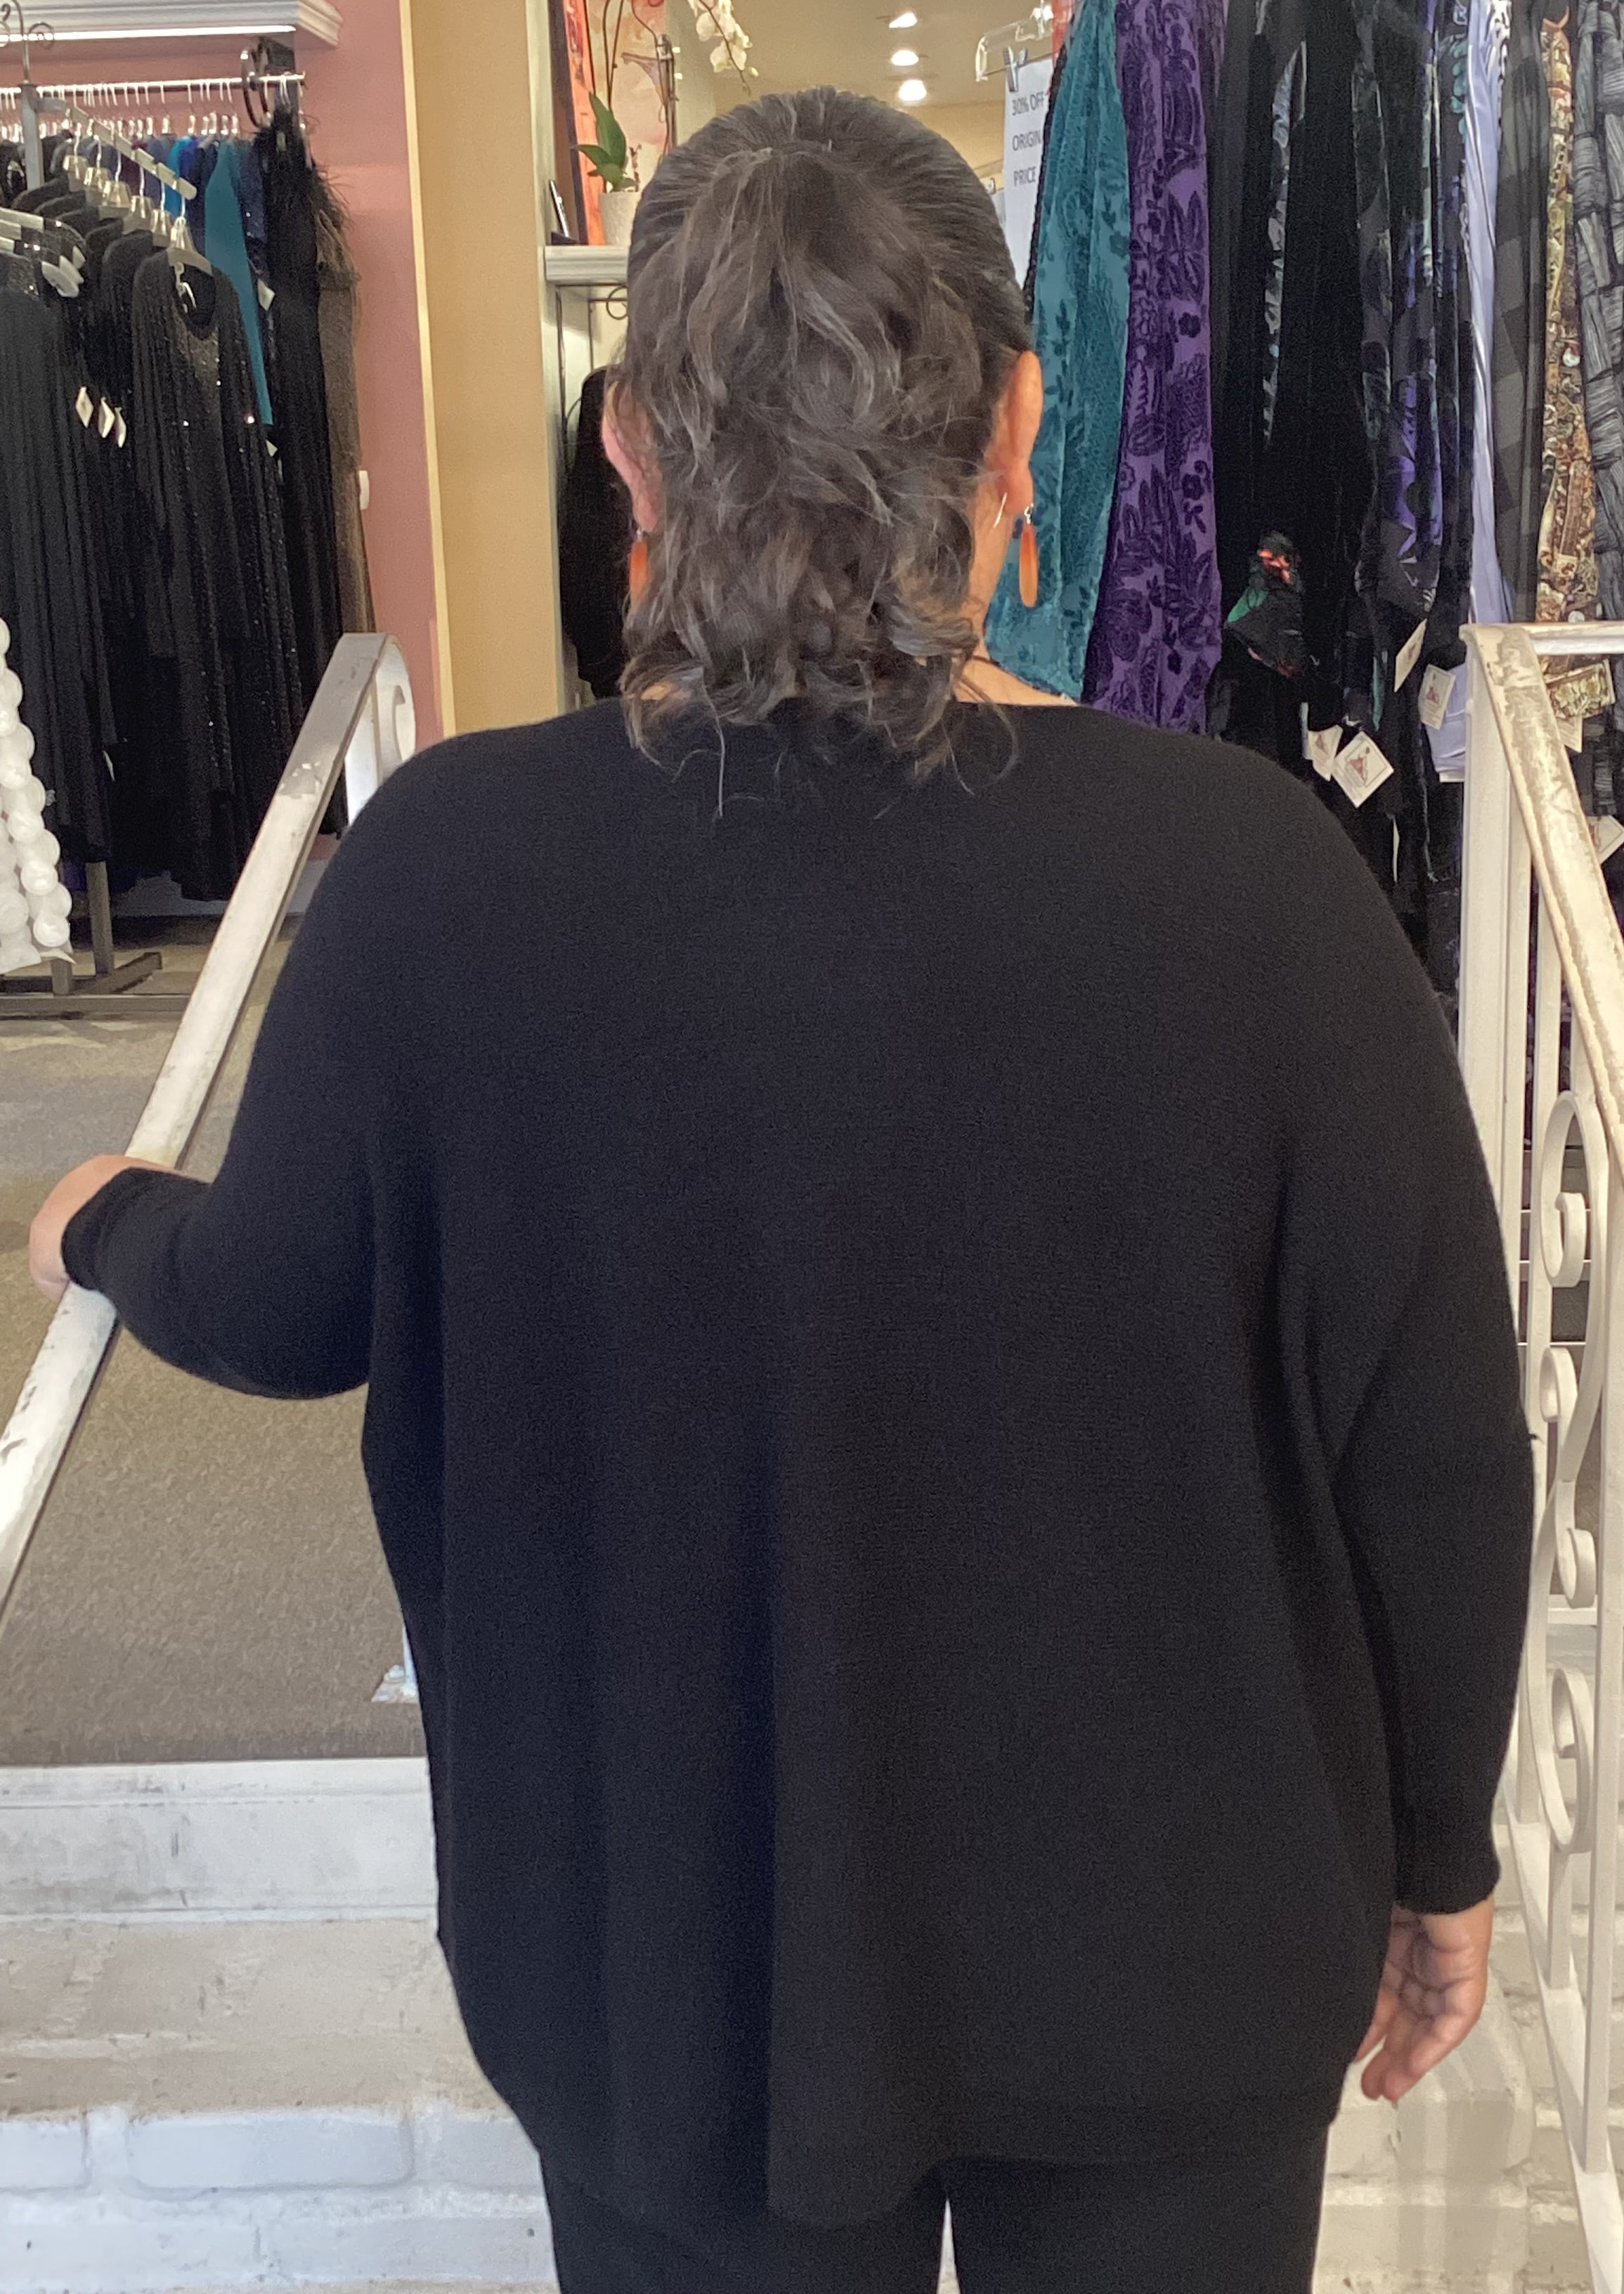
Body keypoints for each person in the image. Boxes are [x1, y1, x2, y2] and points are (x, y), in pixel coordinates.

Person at [32, 90, 1533, 2294]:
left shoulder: (453, 877)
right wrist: (1440, 1846)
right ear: (1018, 425)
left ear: (631, 447)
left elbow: (276, 1300)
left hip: (668, 1961)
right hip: (1181, 1942)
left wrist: (100, 1217)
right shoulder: (1256, 882)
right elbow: (1436, 1439)